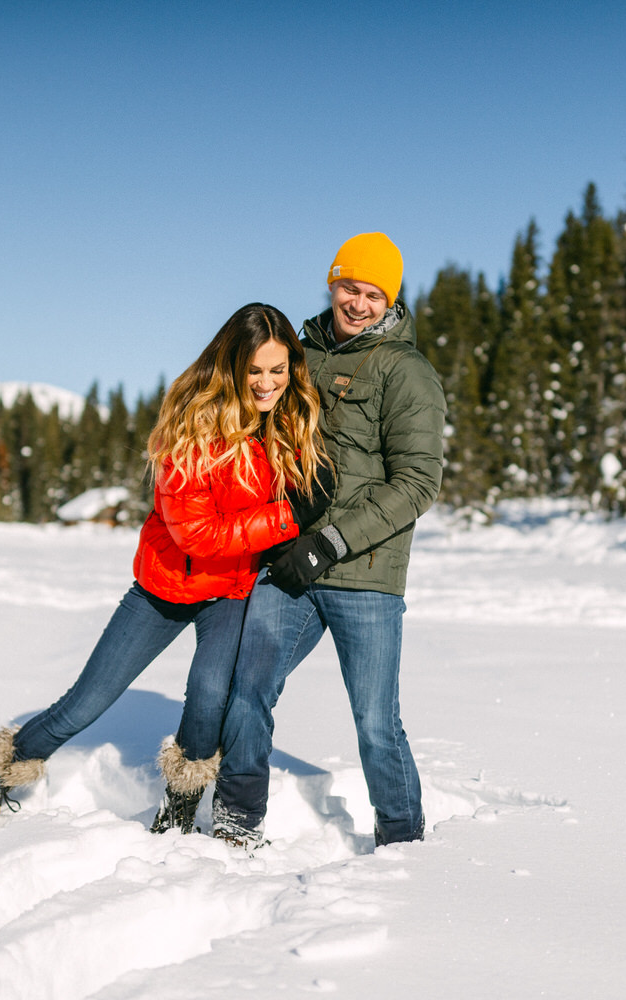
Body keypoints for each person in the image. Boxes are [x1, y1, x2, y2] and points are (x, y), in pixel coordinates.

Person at [0, 303, 332, 847]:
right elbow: (196, 535)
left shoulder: (290, 424)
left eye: (279, 370)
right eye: (255, 370)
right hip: (166, 585)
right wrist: (288, 516)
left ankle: (178, 812)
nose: (267, 383)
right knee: (87, 700)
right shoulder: (190, 425)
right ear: (231, 365)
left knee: (209, 696)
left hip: (231, 586)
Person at [212, 233, 446, 848]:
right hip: (289, 563)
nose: (359, 303)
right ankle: (237, 818)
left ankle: (401, 839)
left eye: (374, 294)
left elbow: (418, 482)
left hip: (365, 575)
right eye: (350, 288)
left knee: (375, 722)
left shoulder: (407, 372)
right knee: (248, 686)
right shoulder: (302, 354)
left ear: (389, 300)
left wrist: (332, 542)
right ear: (332, 282)